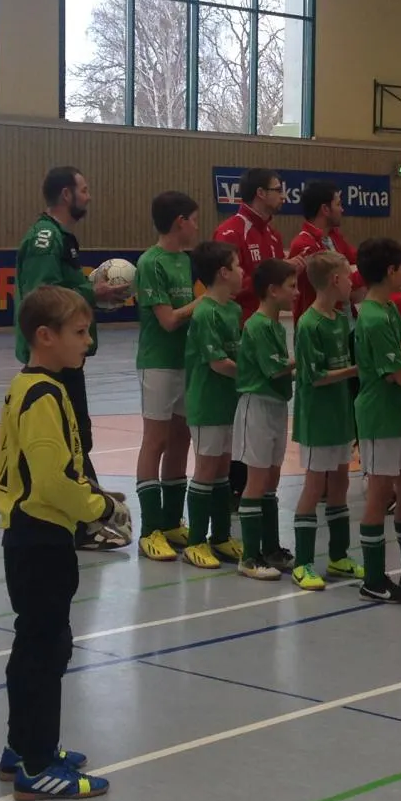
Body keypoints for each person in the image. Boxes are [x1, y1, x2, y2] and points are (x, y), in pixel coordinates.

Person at [0, 284, 127, 801]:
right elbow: (51, 481)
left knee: (34, 642)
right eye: (79, 332)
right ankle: (37, 765)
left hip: (30, 534)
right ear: (45, 336)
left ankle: (22, 746)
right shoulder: (43, 394)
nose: (87, 341)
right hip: (40, 535)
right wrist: (100, 508)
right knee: (46, 649)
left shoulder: (31, 385)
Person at [16, 166, 128, 546]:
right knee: (68, 437)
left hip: (65, 356)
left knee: (77, 433)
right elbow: (43, 298)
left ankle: (89, 499)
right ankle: (83, 523)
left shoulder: (62, 237)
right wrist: (92, 293)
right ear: (66, 195)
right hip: (54, 359)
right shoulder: (46, 238)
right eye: (84, 189)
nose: (89, 196)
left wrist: (90, 293)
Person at [353, 238, 401, 602]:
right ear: (390, 271)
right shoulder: (372, 317)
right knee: (380, 493)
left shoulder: (389, 309)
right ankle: (373, 578)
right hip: (377, 414)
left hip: (394, 413)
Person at [289, 252, 361, 592]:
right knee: (314, 484)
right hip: (317, 416)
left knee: (340, 482)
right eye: (348, 277)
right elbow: (315, 377)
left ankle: (338, 556)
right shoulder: (309, 324)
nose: (351, 283)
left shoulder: (340, 318)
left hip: (340, 412)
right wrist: (357, 369)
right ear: (334, 280)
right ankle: (302, 562)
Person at [135, 190, 201, 562]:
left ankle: (173, 521)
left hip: (185, 361)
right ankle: (150, 529)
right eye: (194, 219)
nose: (197, 227)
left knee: (181, 438)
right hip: (158, 362)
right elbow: (169, 320)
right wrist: (204, 302)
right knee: (155, 440)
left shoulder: (187, 261)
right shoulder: (151, 262)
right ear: (180, 222)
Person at [232, 259, 297, 580]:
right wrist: (306, 358)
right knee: (256, 480)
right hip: (256, 405)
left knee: (271, 478)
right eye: (291, 286)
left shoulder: (275, 326)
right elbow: (275, 369)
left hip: (276, 405)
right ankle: (249, 556)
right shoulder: (256, 325)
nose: (296, 293)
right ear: (272, 290)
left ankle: (271, 548)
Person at [181, 242, 243, 570]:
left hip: (228, 401)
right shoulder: (205, 312)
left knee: (222, 469)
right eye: (238, 265)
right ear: (223, 273)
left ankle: (220, 536)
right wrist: (255, 374)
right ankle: (195, 541)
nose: (243, 271)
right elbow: (219, 363)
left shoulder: (233, 309)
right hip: (207, 403)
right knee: (206, 469)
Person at [214, 168, 291, 317]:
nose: (283, 196)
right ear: (261, 193)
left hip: (270, 323)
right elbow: (225, 287)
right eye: (278, 190)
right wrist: (271, 276)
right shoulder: (230, 233)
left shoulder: (274, 235)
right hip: (239, 324)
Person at [288, 179, 362, 320]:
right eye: (338, 204)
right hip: (321, 326)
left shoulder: (335, 237)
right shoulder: (303, 245)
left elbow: (359, 260)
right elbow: (335, 284)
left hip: (345, 321)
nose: (342, 209)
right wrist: (373, 272)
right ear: (325, 209)